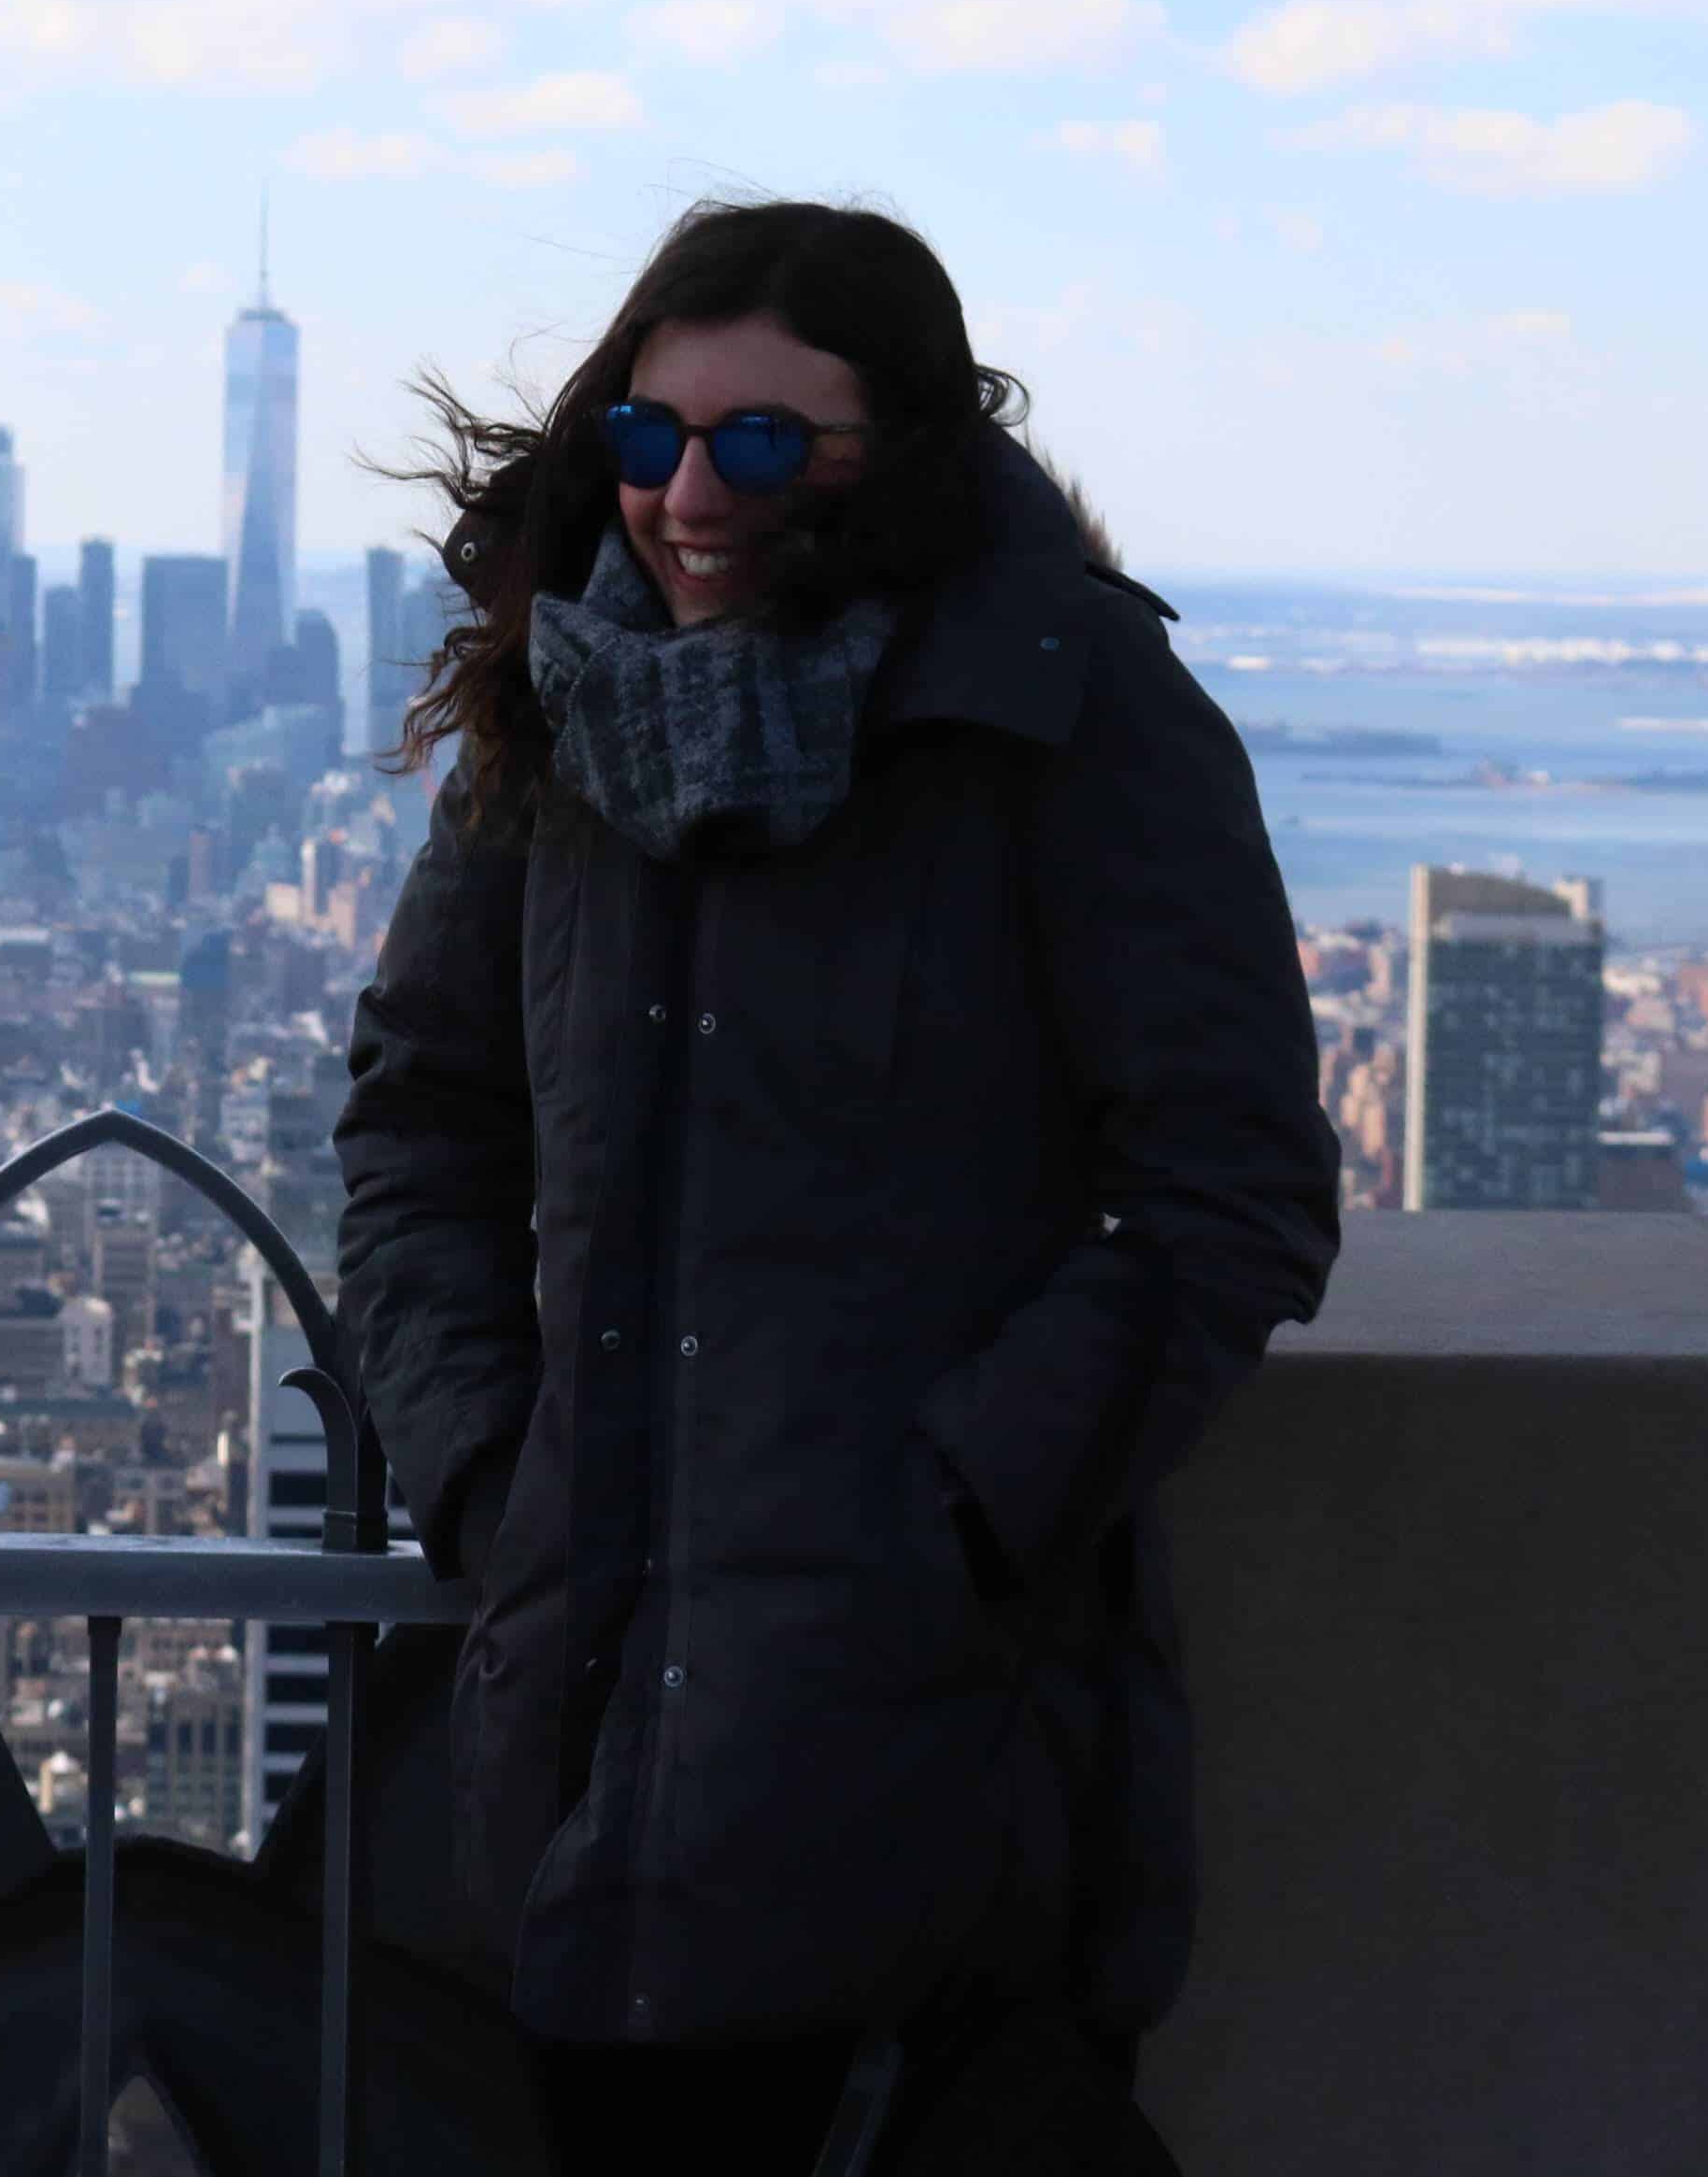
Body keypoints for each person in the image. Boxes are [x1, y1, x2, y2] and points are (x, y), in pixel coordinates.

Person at [335, 198, 1340, 2173]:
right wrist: (480, 1465)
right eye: (648, 439)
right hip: (585, 1731)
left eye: (766, 441)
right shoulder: (557, 714)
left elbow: (1230, 1178)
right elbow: (421, 1117)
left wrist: (958, 1510)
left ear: (900, 452)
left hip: (935, 1745)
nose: (691, 495)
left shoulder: (1063, 710)